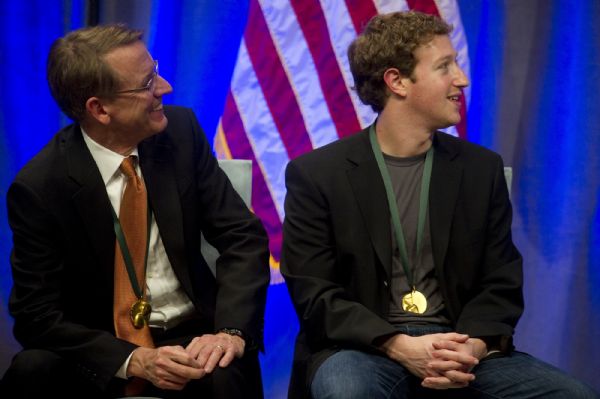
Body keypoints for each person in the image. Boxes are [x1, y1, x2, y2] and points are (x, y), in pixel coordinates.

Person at [280, 11, 599, 399]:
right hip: (362, 348)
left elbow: (500, 280)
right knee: (349, 390)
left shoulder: (481, 169)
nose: (461, 79)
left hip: (458, 345)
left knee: (574, 394)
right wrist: (399, 345)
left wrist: (472, 347)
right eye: (445, 66)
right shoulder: (317, 174)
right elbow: (315, 293)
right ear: (397, 81)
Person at [1, 24, 270, 398]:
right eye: (146, 84)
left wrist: (230, 332)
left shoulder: (181, 133)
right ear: (100, 108)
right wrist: (131, 359)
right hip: (101, 348)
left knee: (226, 368)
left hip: (192, 336)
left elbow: (242, 236)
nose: (164, 88)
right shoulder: (42, 187)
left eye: (155, 70)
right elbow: (35, 316)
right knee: (32, 370)